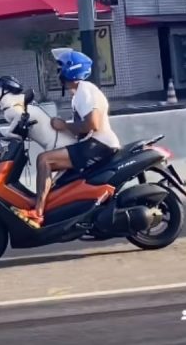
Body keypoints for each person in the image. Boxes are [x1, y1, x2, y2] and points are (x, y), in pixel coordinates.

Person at [19, 49, 120, 226]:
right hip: (93, 143)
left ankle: (38, 212)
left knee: (44, 160)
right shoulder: (79, 93)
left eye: (61, 67)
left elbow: (92, 125)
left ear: (71, 69)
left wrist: (64, 125)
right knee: (57, 175)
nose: (58, 72)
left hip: (100, 144)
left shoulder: (85, 91)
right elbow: (81, 130)